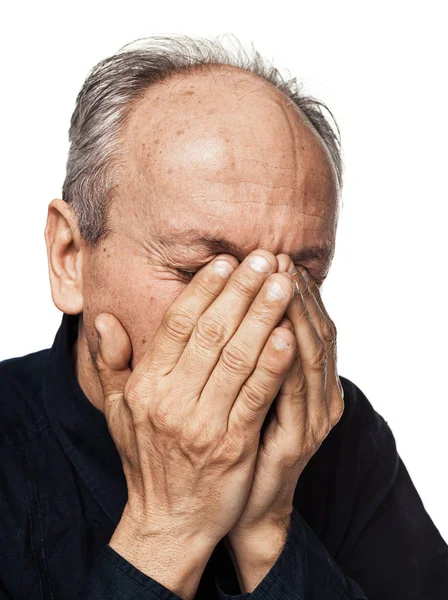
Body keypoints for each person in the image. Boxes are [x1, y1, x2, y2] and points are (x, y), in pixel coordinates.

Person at [0, 34, 446, 600]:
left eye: (301, 278)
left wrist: (266, 534)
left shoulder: (338, 428)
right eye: (201, 270)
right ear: (70, 256)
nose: (262, 325)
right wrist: (166, 533)